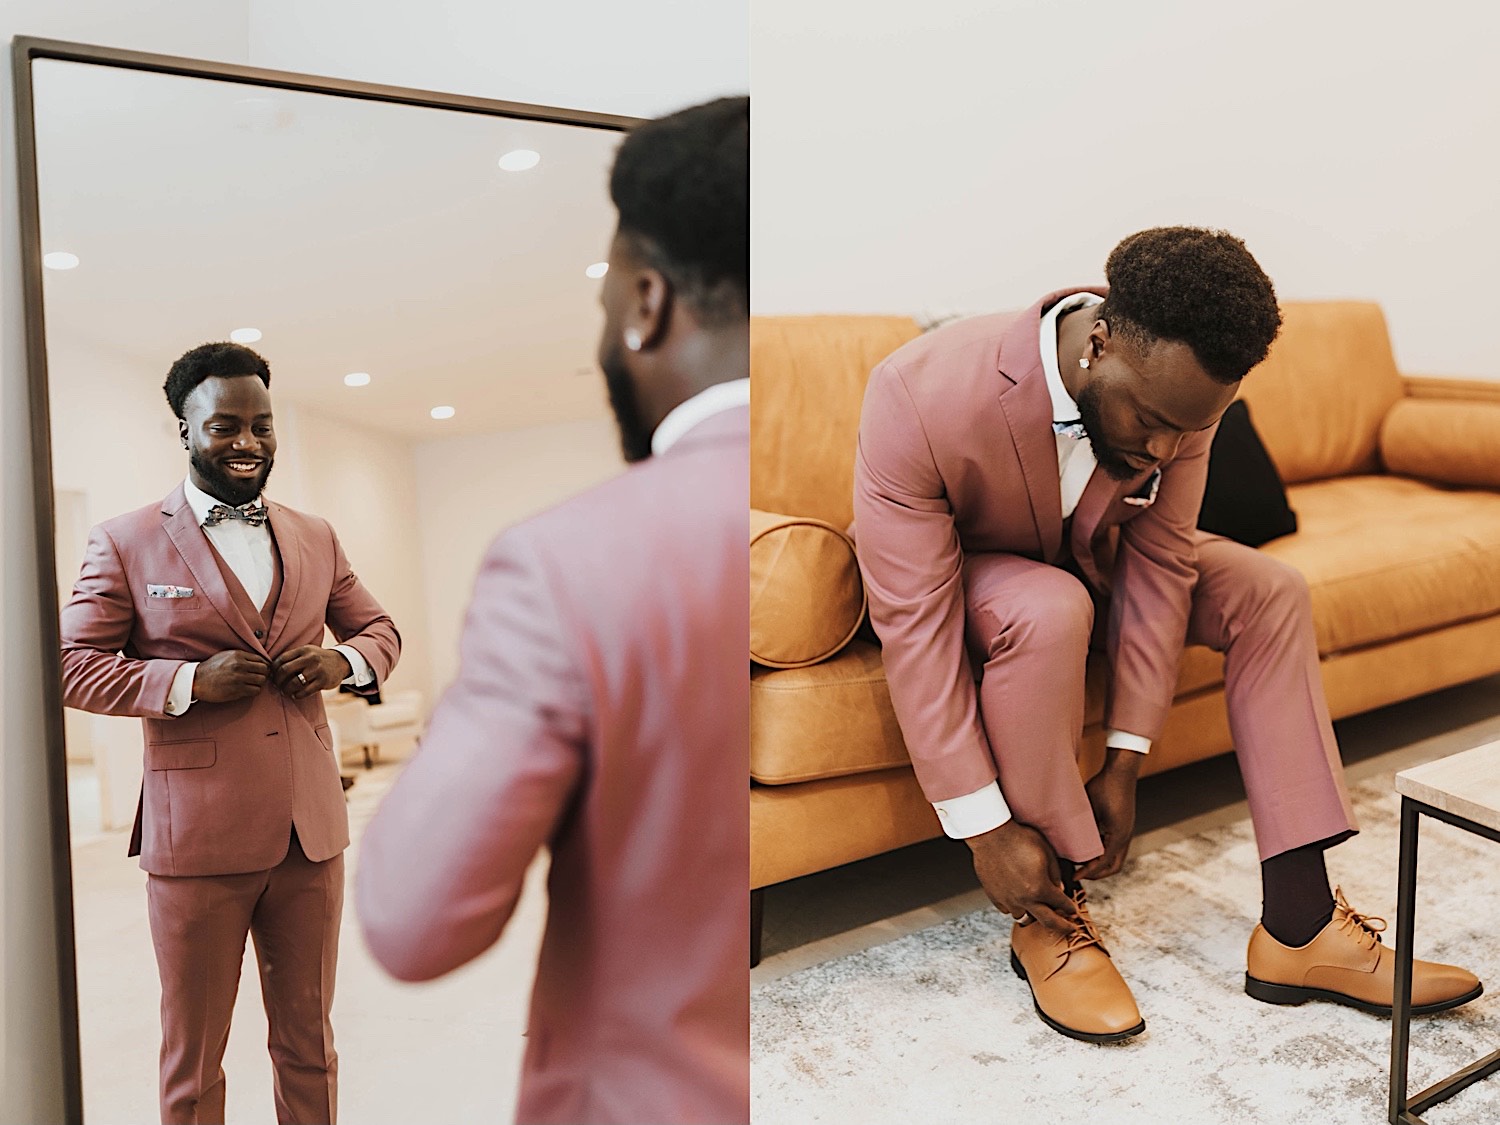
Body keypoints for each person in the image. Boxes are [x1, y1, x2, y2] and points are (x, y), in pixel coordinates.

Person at [852, 226, 1482, 1043]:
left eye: (1181, 433)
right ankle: (1050, 918)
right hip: (968, 579)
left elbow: (1162, 560)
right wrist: (985, 829)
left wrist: (1127, 757)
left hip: (1091, 561)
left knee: (1269, 588)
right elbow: (916, 624)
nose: (1159, 449)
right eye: (1147, 420)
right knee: (1050, 606)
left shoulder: (1181, 402)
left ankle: (1300, 925)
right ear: (1101, 341)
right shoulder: (917, 391)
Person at [356, 95, 749, 1124]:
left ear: (646, 303)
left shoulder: (563, 564)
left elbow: (412, 920)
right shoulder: (884, 477)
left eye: (606, 291)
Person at [60, 342, 400, 1123]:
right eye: (225, 427)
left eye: (261, 426)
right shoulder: (125, 539)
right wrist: (184, 683)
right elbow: (71, 664)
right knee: (194, 1052)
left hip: (310, 836)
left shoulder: (315, 534)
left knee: (310, 1041)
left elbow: (379, 628)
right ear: (184, 430)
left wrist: (341, 660)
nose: (247, 442)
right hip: (198, 842)